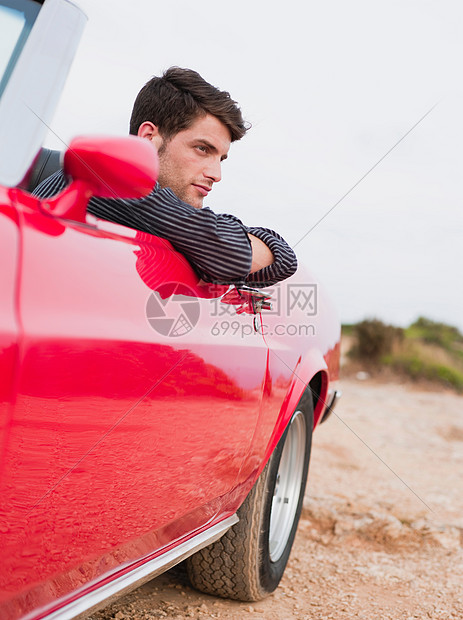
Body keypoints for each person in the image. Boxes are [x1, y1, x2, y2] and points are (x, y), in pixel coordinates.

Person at [33, 67, 297, 287]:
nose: (216, 175)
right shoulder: (116, 184)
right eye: (202, 149)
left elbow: (282, 259)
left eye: (221, 158)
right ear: (149, 137)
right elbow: (234, 256)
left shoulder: (147, 208)